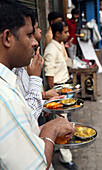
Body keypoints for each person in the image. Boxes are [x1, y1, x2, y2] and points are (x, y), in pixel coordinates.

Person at [0, 1, 75, 169]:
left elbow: (19, 132)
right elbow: (37, 167)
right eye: (29, 35)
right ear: (7, 38)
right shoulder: (5, 98)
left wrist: (43, 127)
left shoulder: (8, 83)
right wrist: (51, 129)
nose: (35, 42)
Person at [44, 21, 77, 170]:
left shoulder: (59, 46)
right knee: (62, 123)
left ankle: (61, 149)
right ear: (57, 34)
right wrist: (54, 98)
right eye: (65, 32)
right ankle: (65, 158)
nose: (68, 34)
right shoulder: (51, 49)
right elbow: (49, 76)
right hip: (58, 91)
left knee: (65, 120)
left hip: (64, 88)